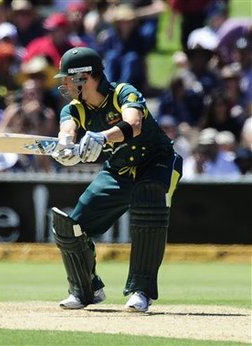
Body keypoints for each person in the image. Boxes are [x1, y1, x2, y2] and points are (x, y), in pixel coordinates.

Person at [50, 47, 183, 312]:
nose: (64, 84)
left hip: (156, 162)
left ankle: (141, 291)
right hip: (119, 169)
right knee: (71, 228)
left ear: (85, 77)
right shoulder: (75, 109)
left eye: (68, 78)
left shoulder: (124, 92)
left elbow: (133, 125)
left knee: (149, 203)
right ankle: (85, 288)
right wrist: (65, 147)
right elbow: (67, 129)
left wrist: (103, 136)